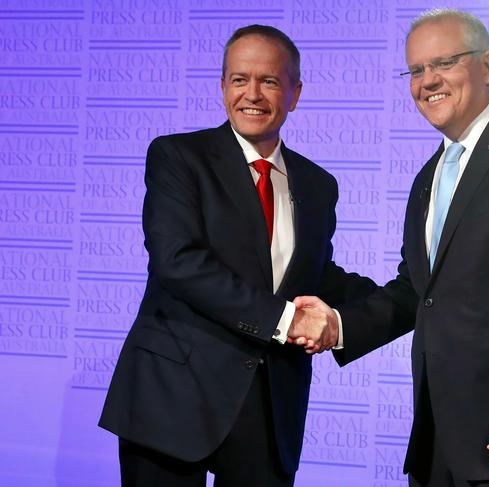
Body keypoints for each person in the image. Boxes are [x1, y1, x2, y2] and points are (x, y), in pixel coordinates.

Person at [295, 8, 489, 487]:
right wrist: (340, 324)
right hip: (440, 440)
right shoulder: (428, 177)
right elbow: (417, 292)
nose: (428, 81)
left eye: (444, 63)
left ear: (487, 65)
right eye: (416, 70)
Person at [99, 24, 375, 487]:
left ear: (295, 92)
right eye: (239, 79)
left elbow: (310, 275)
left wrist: (410, 297)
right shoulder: (178, 156)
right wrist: (288, 321)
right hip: (172, 400)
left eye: (269, 81)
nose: (253, 94)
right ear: (223, 86)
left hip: (268, 409)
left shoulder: (318, 184)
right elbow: (177, 261)